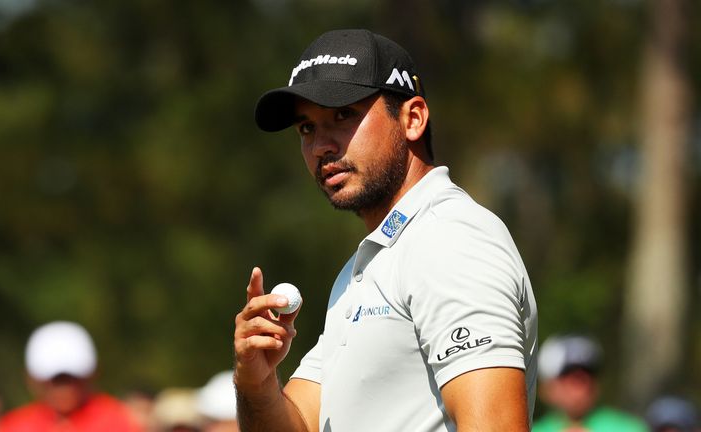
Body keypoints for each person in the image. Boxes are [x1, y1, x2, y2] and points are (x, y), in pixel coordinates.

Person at [233, 28, 538, 431]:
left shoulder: (450, 238)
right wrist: (255, 383)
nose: (321, 145)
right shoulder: (369, 264)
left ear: (412, 119)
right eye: (306, 128)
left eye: (344, 115)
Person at [0, 320, 142, 432]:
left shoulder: (119, 422)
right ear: (31, 378)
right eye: (56, 380)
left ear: (92, 373)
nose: (64, 388)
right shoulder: (15, 426)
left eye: (71, 378)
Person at [533, 334, 648, 432]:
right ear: (546, 387)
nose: (583, 386)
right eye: (572, 378)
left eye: (589, 375)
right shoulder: (527, 429)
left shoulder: (630, 428)